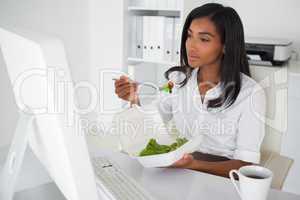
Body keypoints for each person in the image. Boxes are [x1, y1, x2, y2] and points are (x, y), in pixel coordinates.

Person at [114, 3, 266, 178]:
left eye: (204, 39)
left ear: (226, 46)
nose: (191, 46)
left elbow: (246, 165)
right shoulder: (177, 81)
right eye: (189, 36)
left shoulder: (251, 93)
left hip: (221, 179)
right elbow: (151, 119)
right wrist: (133, 99)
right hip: (180, 169)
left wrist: (193, 164)